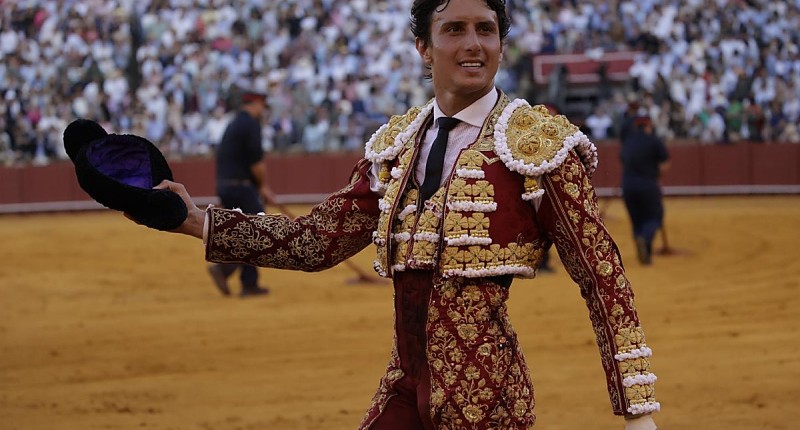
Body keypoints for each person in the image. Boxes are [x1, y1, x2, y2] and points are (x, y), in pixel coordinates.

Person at [136, 0, 660, 428]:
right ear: (423, 48)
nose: (473, 43)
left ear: (502, 43)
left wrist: (638, 414)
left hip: (487, 403)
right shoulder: (397, 147)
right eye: (454, 29)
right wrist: (193, 219)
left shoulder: (536, 143)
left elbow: (601, 274)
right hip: (404, 390)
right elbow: (316, 241)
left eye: (487, 29)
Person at [207, 90, 273, 298]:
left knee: (242, 231)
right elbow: (256, 164)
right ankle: (229, 271)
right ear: (256, 104)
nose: (263, 110)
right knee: (257, 230)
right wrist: (262, 186)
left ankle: (246, 281)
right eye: (262, 105)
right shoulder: (250, 124)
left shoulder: (235, 123)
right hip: (240, 187)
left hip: (228, 186)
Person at [620, 116, 670, 265]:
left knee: (636, 219)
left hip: (628, 186)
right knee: (655, 216)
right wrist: (658, 176)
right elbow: (665, 164)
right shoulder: (654, 140)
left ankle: (640, 239)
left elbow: (623, 160)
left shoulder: (628, 141)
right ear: (648, 126)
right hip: (648, 185)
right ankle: (646, 238)